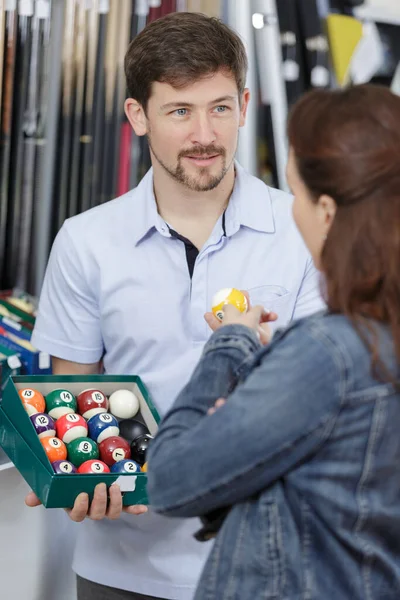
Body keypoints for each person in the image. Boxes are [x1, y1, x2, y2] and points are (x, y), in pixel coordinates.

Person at [27, 12, 324, 600]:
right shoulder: (86, 241)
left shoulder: (302, 230)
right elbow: (75, 400)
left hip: (272, 566)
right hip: (124, 569)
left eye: (218, 107)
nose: (204, 135)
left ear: (243, 105)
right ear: (139, 116)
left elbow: (322, 403)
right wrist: (78, 473)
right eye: (179, 111)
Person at [146, 84, 400, 600]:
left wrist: (232, 344)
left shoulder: (332, 354)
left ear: (326, 211)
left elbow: (169, 479)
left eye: (297, 196)